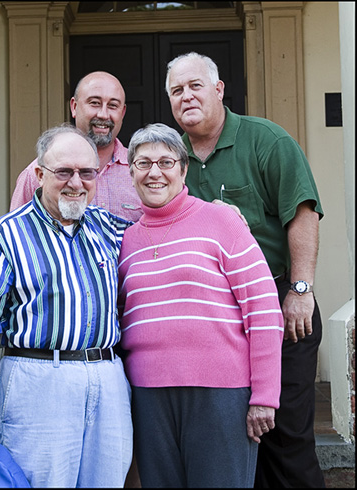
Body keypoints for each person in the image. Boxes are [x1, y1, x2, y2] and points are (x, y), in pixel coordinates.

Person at [165, 51, 326, 488]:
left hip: (279, 305)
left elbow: (302, 213)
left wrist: (300, 289)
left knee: (284, 434)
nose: (186, 96)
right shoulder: (171, 159)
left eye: (195, 85)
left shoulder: (266, 140)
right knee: (235, 437)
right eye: (177, 91)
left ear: (219, 89)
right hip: (216, 323)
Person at [0, 124, 133, 488]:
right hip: (38, 380)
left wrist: (217, 214)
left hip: (108, 376)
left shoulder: (111, 231)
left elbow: (163, 230)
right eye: (63, 172)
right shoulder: (5, 236)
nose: (76, 183)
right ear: (38, 174)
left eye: (86, 173)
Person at [117, 123, 284, 488]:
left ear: (184, 168)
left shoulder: (221, 220)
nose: (154, 172)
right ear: (130, 172)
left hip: (221, 395)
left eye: (166, 161)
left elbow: (264, 309)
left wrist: (265, 395)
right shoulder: (125, 240)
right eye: (143, 163)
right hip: (148, 396)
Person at [10, 70, 143, 222]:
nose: (103, 115)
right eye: (94, 103)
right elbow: (16, 233)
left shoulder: (142, 171)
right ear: (74, 107)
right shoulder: (38, 174)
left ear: (123, 113)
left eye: (113, 106)